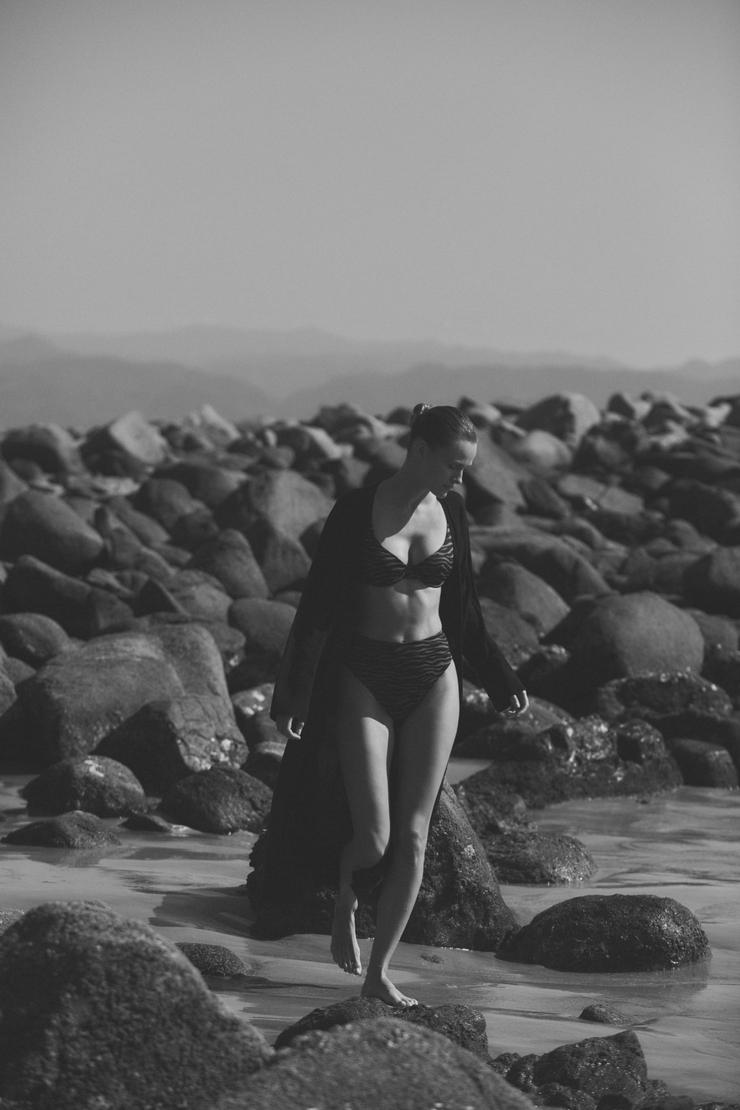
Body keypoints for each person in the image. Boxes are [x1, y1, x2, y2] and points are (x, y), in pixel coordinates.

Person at [270, 403, 528, 1008]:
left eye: (466, 468)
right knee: (375, 837)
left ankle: (380, 973)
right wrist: (295, 693)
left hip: (435, 674)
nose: (460, 478)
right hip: (364, 672)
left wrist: (499, 676)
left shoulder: (451, 512)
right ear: (418, 450)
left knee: (414, 835)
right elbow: (319, 604)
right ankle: (346, 893)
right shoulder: (356, 510)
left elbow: (464, 606)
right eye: (453, 465)